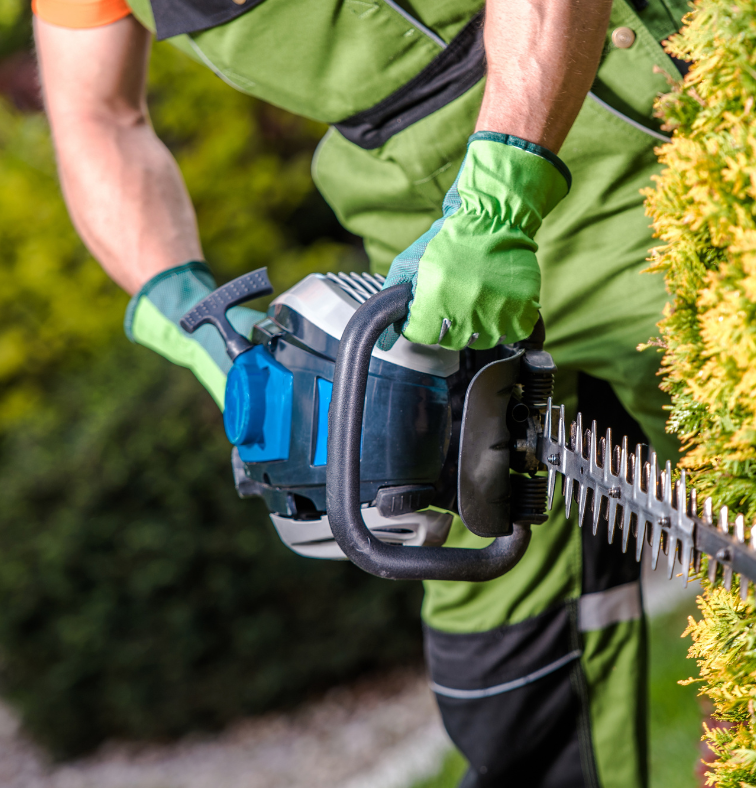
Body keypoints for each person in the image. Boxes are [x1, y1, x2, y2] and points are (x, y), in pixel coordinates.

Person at [33, 0, 690, 784]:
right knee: (503, 678)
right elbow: (96, 117)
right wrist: (189, 316)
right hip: (406, 212)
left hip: (606, 124)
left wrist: (498, 198)